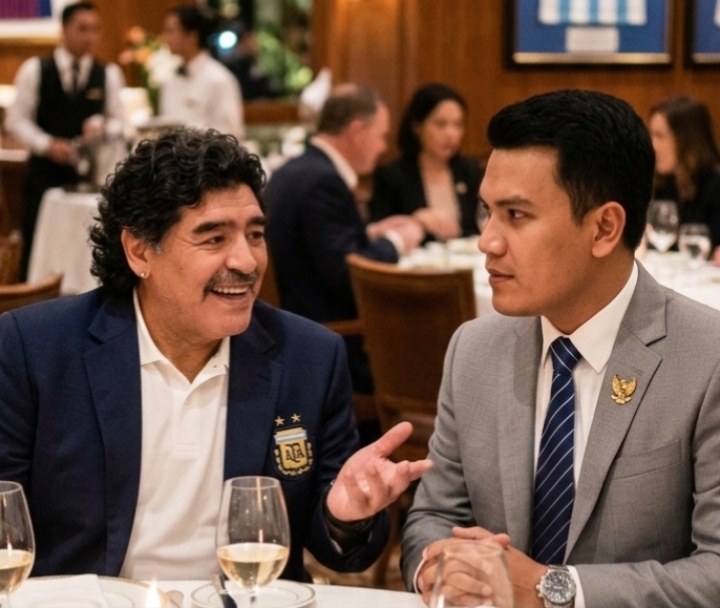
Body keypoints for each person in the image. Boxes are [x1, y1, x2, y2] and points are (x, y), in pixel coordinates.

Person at [0, 128, 432, 581]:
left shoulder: (308, 357)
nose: (246, 262)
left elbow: (341, 549)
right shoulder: (37, 350)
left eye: (255, 235)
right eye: (213, 239)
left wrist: (346, 513)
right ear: (139, 251)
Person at [402, 90, 720, 607]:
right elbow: (434, 517)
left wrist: (556, 590)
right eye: (486, 211)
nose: (487, 241)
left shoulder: (707, 358)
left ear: (604, 228)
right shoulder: (474, 350)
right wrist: (438, 569)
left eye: (515, 215)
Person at [264, 83, 424, 395]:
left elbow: (317, 247)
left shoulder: (297, 170)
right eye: (381, 136)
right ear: (356, 132)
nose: (383, 148)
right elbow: (347, 276)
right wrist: (397, 241)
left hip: (294, 330)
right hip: (328, 344)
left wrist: (370, 234)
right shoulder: (322, 181)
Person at [4, 1, 125, 279]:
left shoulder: (108, 74)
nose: (90, 37)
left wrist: (103, 127)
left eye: (95, 29)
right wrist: (47, 144)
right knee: (38, 249)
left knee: (86, 250)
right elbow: (16, 120)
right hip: (43, 176)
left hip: (90, 178)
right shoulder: (35, 70)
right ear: (64, 30)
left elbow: (120, 122)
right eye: (83, 29)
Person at [368, 83, 482, 241]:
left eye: (457, 125)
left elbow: (476, 228)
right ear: (417, 127)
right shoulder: (392, 175)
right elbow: (377, 232)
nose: (451, 134)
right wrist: (415, 220)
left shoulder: (470, 171)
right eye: (441, 124)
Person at [648, 96, 720, 263]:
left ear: (686, 139)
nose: (652, 145)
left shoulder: (715, 185)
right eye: (651, 135)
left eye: (660, 136)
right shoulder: (662, 184)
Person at [160, 5, 244, 140]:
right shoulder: (170, 79)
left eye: (171, 31)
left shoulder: (219, 79)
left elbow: (231, 132)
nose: (166, 38)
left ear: (192, 36)